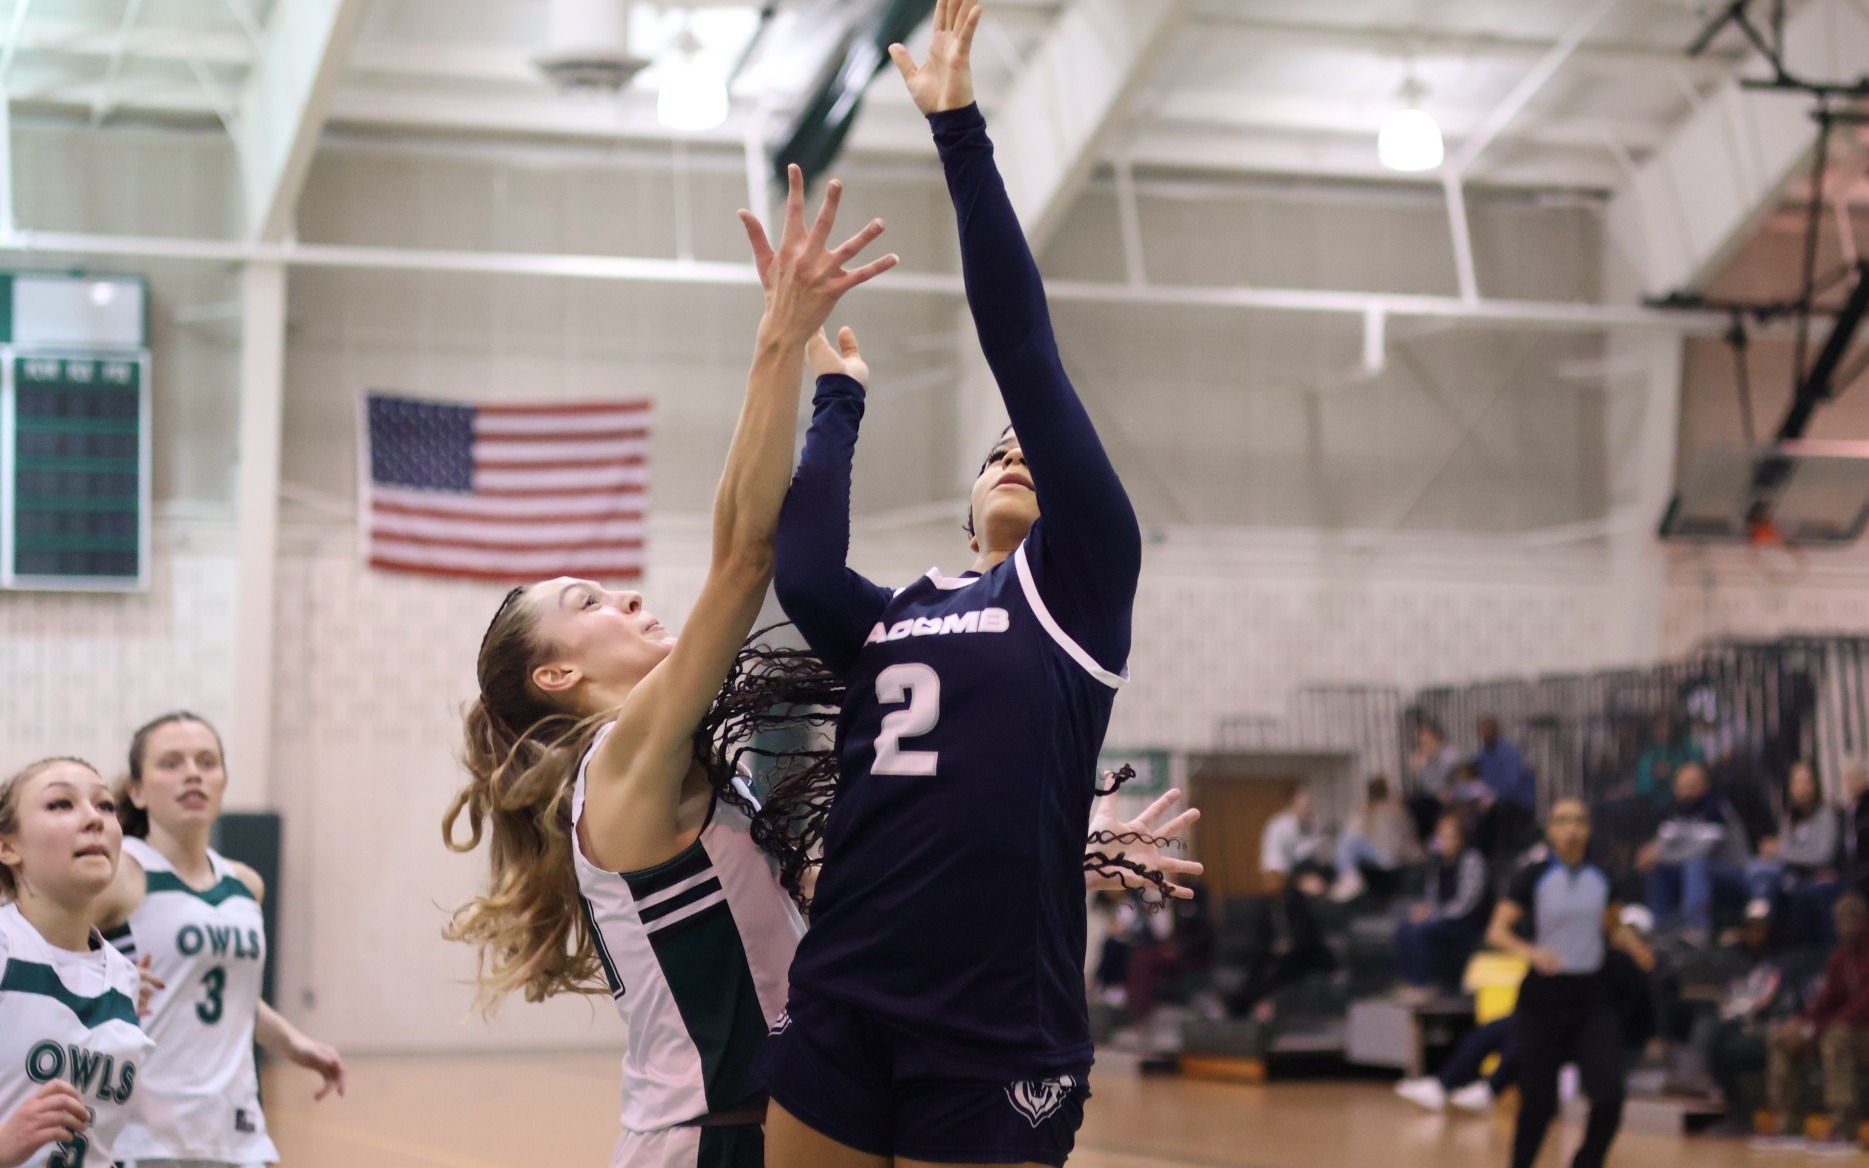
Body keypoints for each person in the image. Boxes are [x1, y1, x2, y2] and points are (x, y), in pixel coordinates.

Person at [444, 167, 900, 1168]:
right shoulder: (619, 768)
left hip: (780, 1134)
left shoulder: (706, 774)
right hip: (704, 1145)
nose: (629, 600)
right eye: (590, 604)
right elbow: (744, 558)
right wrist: (784, 341)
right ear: (559, 676)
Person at [754, 6, 1145, 1164]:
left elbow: (1023, 349)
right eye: (993, 457)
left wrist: (959, 132)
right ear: (965, 510)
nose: (1014, 452)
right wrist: (839, 399)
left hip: (992, 1023)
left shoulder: (1081, 581)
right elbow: (802, 567)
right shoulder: (897, 617)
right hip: (847, 993)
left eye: (1026, 447)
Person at [92, 712, 345, 1168]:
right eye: (171, 763)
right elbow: (46, 954)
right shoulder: (119, 875)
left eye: (206, 761)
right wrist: (105, 978)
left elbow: (233, 995)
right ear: (137, 789)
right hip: (143, 1137)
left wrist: (292, 1043)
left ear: (223, 779)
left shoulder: (244, 885)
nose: (192, 772)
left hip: (235, 1128)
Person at [0, 757, 153, 1168]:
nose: (94, 819)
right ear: (7, 846)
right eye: (61, 805)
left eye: (105, 806)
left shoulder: (124, 977)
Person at [1486, 798, 1654, 1168]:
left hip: (1592, 996)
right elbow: (1497, 931)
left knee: (1609, 1094)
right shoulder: (1533, 875)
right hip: (1543, 999)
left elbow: (1612, 926)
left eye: (1578, 820)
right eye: (1562, 821)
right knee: (1538, 1103)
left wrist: (1635, 946)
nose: (1571, 828)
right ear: (1551, 830)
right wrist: (1532, 952)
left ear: (1588, 829)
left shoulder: (1602, 876)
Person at [1754, 893, 1869, 1154]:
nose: (1847, 927)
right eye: (1841, 921)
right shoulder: (1839, 958)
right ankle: (1788, 1122)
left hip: (1861, 1033)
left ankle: (1844, 1126)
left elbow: (1863, 1008)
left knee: (1836, 1037)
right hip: (1841, 1031)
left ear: (1865, 921)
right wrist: (1802, 1023)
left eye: (1853, 920)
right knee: (1780, 1037)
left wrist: (1816, 1031)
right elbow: (1825, 1001)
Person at [1638, 762, 1751, 942]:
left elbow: (1703, 850)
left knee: (1696, 863)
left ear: (1705, 785)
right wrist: (1653, 854)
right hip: (1693, 877)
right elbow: (1659, 847)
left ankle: (1696, 928)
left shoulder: (1716, 810)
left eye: (1693, 783)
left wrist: (1662, 855)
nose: (1687, 789)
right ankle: (1662, 928)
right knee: (1657, 868)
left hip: (1732, 877)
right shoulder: (1674, 814)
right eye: (1683, 784)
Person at [1748, 761, 1843, 949]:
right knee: (1761, 872)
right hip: (1790, 876)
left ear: (1815, 784)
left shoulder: (1826, 815)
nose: (1801, 788)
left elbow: (1821, 856)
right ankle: (1760, 924)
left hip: (1816, 875)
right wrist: (1774, 852)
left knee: (1771, 879)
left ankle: (1758, 922)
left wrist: (1780, 851)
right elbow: (1785, 851)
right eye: (1796, 783)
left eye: (1805, 782)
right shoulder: (1789, 818)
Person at [1394, 813, 1488, 992]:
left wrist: (1434, 915)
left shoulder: (1472, 860)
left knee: (1421, 932)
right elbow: (1432, 897)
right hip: (1441, 920)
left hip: (1465, 924)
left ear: (1460, 838)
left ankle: (1424, 985)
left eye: (1450, 837)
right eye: (1441, 836)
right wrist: (1425, 911)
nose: (1445, 842)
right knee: (1405, 928)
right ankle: (1409, 984)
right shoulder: (1437, 864)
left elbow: (1466, 904)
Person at [1332, 775, 1421, 902]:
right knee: (1348, 840)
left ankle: (1350, 877)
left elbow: (1351, 832)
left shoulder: (1369, 810)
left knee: (1345, 841)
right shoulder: (1399, 808)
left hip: (1386, 857)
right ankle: (1350, 877)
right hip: (1398, 854)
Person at [1263, 788, 1330, 894]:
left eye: (1309, 805)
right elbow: (1274, 860)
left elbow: (1322, 856)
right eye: (1304, 805)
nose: (1307, 809)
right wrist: (1299, 880)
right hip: (1291, 874)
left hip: (1316, 870)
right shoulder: (1278, 826)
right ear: (1293, 804)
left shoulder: (1315, 824)